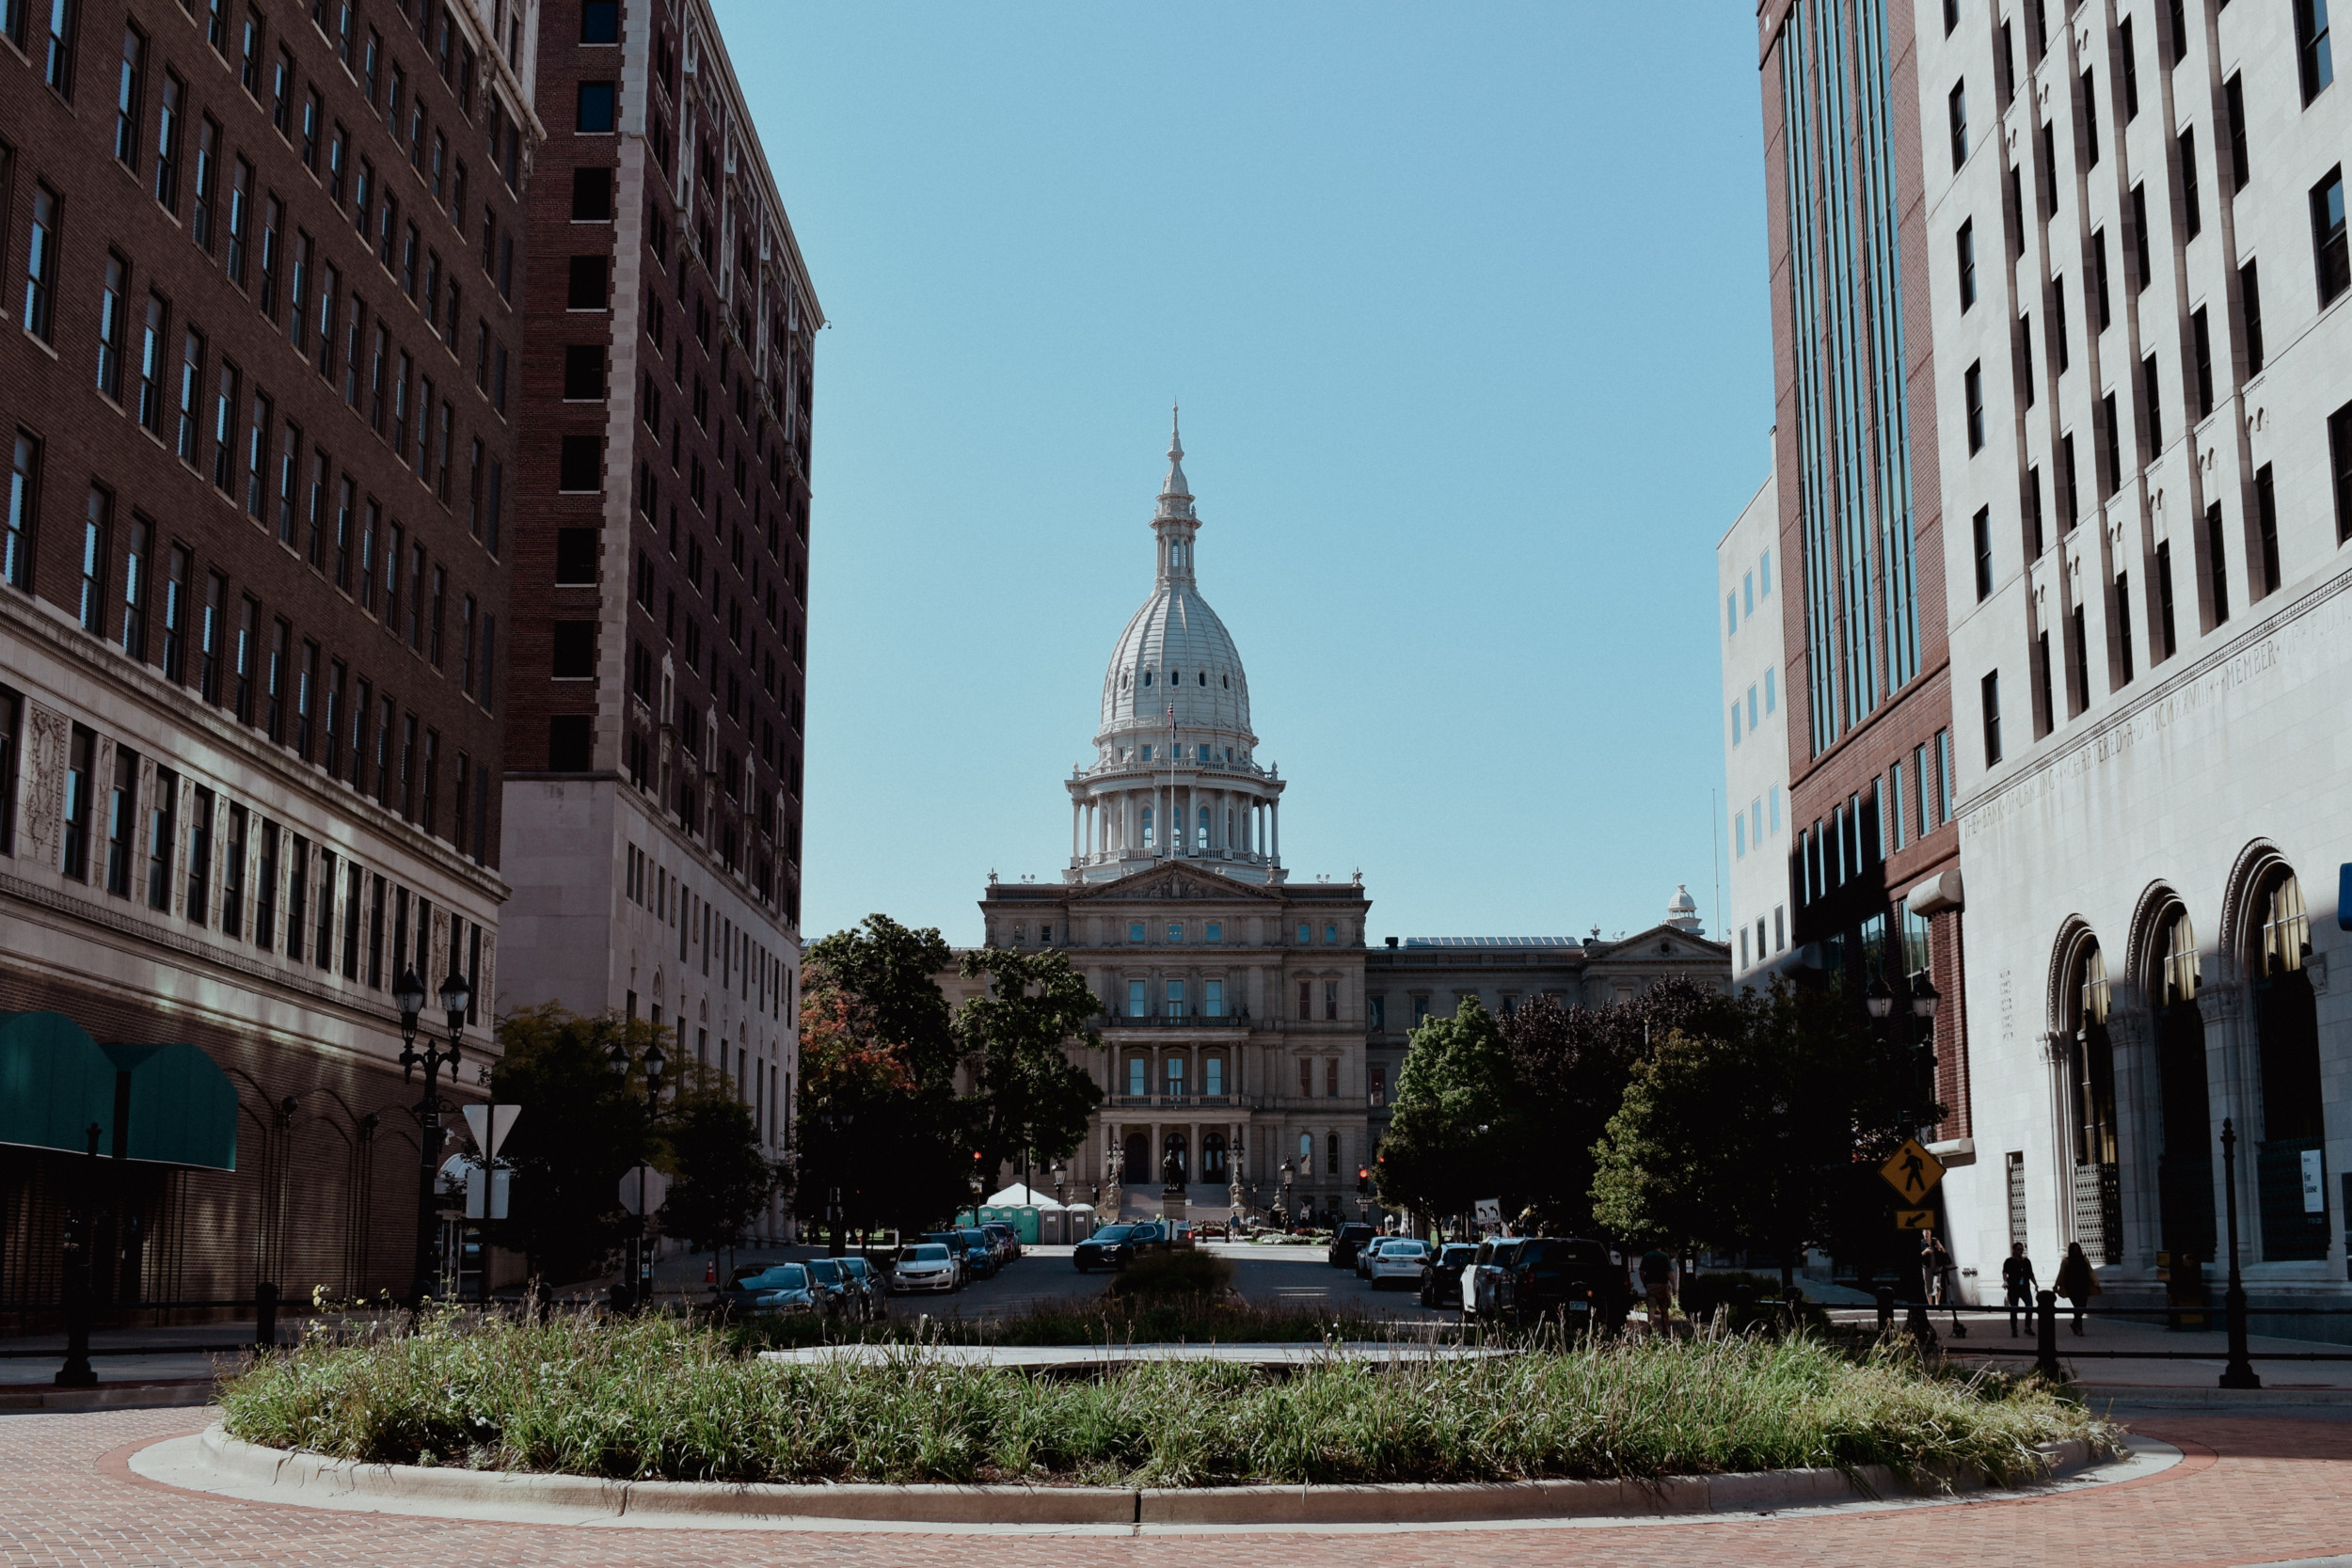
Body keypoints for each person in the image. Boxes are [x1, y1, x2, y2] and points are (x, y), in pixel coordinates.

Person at [2054, 1240, 2101, 1335]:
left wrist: (2096, 1282)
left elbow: (2090, 1271)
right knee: (2077, 1307)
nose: (2076, 1251)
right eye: (2074, 1250)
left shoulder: (2084, 1259)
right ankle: (2079, 1329)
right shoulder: (2066, 1261)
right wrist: (2056, 1285)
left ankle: (2074, 1324)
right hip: (2071, 1288)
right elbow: (2061, 1274)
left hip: (2083, 1287)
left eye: (2077, 1249)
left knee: (2082, 1308)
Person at [2002, 1243, 2039, 1337]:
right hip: (2013, 1288)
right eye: (2019, 1249)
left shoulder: (2026, 1261)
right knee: (2014, 1309)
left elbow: (2031, 1274)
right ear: (2014, 1250)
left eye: (2022, 1249)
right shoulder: (2009, 1261)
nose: (2021, 1251)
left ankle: (2027, 1327)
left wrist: (2035, 1284)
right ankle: (2014, 1329)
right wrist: (2005, 1281)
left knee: (2029, 1306)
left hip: (2025, 1288)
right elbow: (2005, 1272)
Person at [1639, 1248, 1676, 1335]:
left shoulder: (1646, 1256)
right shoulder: (1664, 1256)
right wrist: (1674, 1286)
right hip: (1662, 1285)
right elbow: (1669, 1272)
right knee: (1664, 1308)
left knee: (1651, 1308)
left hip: (1650, 1285)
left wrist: (1645, 1283)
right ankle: (1665, 1329)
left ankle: (1651, 1328)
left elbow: (1641, 1272)